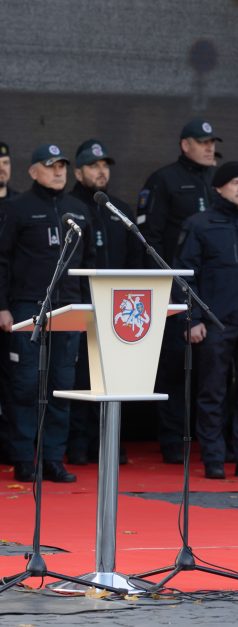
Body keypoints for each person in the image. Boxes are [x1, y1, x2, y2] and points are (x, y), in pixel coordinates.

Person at [0, 144, 96, 483]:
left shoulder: (78, 208)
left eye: (62, 166)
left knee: (61, 385)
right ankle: (24, 458)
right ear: (33, 171)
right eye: (50, 165)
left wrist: (90, 310)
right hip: (29, 305)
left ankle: (54, 458)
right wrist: (3, 306)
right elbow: (3, 260)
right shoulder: (17, 208)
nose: (58, 172)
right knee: (25, 384)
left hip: (69, 308)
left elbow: (88, 264)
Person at [176, 161, 238, 480]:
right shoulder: (200, 224)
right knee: (212, 392)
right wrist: (193, 319)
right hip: (215, 322)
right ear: (218, 188)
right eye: (235, 183)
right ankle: (214, 458)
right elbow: (186, 275)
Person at [138, 118, 219, 464]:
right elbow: (149, 239)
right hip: (175, 289)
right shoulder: (164, 180)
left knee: (214, 372)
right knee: (174, 368)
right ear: (185, 144)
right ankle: (173, 440)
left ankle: (210, 441)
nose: (209, 148)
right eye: (202, 142)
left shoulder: (219, 180)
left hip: (215, 290)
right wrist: (164, 286)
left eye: (212, 142)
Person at [67, 139, 140, 465]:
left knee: (114, 378)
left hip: (120, 310)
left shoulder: (119, 210)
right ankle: (79, 446)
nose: (101, 171)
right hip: (81, 305)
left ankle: (109, 444)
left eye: (105, 165)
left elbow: (138, 261)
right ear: (78, 170)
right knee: (81, 376)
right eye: (94, 166)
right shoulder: (67, 207)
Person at [0, 141, 19, 465]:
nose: (1, 167)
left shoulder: (20, 204)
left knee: (13, 381)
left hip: (11, 304)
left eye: (5, 161)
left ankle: (8, 447)